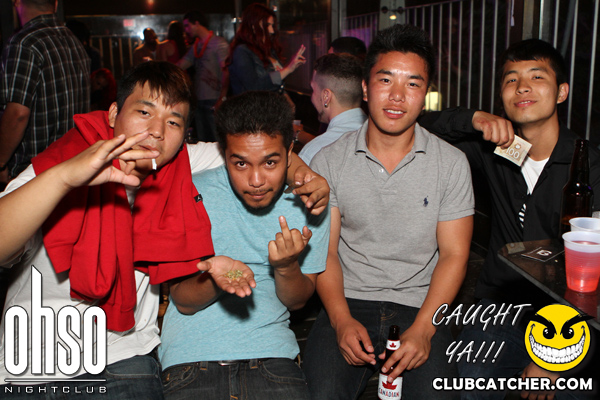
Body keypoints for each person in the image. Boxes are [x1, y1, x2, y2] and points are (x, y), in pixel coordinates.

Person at [0, 61, 329, 398]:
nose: (157, 131)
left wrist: (307, 176)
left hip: (124, 353)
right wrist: (64, 180)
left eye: (173, 121)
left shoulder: (181, 163)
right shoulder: (59, 166)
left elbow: (258, 150)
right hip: (33, 357)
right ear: (113, 113)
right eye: (144, 112)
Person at [419, 38, 600, 400]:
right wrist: (474, 118)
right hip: (501, 308)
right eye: (511, 79)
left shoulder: (588, 165)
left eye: (537, 76)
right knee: (466, 386)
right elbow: (419, 125)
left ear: (562, 92)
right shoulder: (493, 150)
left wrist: (555, 354)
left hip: (574, 317)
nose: (522, 87)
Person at [302, 24, 474, 400]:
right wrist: (340, 320)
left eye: (412, 84)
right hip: (347, 299)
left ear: (425, 95)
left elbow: (455, 255)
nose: (397, 96)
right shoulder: (329, 160)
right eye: (385, 80)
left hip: (422, 303)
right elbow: (325, 253)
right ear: (365, 88)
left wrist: (425, 329)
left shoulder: (451, 163)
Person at [159, 91, 330, 400]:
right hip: (191, 359)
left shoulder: (311, 202)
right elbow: (183, 300)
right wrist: (220, 279)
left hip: (273, 359)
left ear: (290, 152)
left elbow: (297, 301)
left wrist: (286, 266)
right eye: (240, 164)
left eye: (270, 162)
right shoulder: (191, 193)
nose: (256, 180)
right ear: (223, 153)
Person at [0, 0, 90, 184]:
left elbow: (18, 114)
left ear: (17, 2)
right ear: (55, 4)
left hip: (33, 172)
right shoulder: (73, 41)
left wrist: (0, 162)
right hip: (72, 165)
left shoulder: (24, 43)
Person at [298, 53, 366, 164]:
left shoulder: (314, 153)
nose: (312, 98)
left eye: (313, 90)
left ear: (326, 97)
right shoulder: (382, 139)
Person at [226, 3, 306, 96]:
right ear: (253, 26)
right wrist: (288, 69)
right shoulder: (242, 52)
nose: (272, 31)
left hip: (272, 103)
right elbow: (254, 86)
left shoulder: (269, 51)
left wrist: (286, 98)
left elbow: (277, 86)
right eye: (267, 25)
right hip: (253, 105)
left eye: (272, 25)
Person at [177, 11, 229, 142]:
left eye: (187, 25)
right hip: (199, 100)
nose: (186, 30)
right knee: (202, 140)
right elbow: (181, 64)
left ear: (196, 23)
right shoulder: (196, 46)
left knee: (217, 140)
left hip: (214, 99)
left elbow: (226, 71)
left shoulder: (219, 43)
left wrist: (222, 97)